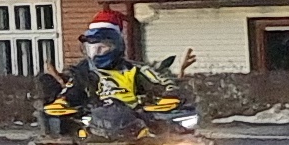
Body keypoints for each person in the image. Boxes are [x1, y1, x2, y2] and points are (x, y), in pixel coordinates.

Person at [45, 18, 185, 124]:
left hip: (138, 122)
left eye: (101, 48)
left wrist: (169, 96)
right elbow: (72, 91)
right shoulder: (84, 73)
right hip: (94, 124)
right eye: (92, 48)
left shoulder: (136, 69)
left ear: (115, 46)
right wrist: (62, 102)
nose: (96, 53)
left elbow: (165, 84)